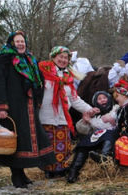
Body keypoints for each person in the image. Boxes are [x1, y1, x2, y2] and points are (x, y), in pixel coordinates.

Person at [0, 31, 56, 188]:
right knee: (15, 140)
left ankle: (21, 173)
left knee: (25, 140)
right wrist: (1, 106)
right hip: (13, 105)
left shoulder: (30, 59)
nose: (21, 44)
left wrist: (38, 97)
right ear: (12, 43)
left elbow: (38, 79)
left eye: (22, 41)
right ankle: (16, 175)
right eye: (17, 41)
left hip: (28, 105)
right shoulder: (4, 59)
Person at [38, 46, 97, 179]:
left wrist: (89, 109)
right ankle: (48, 170)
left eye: (66, 58)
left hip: (63, 118)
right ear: (53, 57)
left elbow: (74, 99)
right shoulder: (43, 73)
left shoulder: (68, 77)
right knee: (48, 146)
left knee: (63, 146)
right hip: (46, 117)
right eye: (61, 57)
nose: (63, 60)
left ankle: (61, 170)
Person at [67, 91, 119, 183]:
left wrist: (90, 121)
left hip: (111, 138)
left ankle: (104, 157)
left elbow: (105, 125)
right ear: (95, 102)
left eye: (104, 97)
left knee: (108, 133)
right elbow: (82, 130)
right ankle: (73, 172)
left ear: (109, 99)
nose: (102, 100)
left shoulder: (115, 109)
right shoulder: (95, 115)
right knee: (84, 142)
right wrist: (85, 120)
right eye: (99, 99)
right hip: (97, 139)